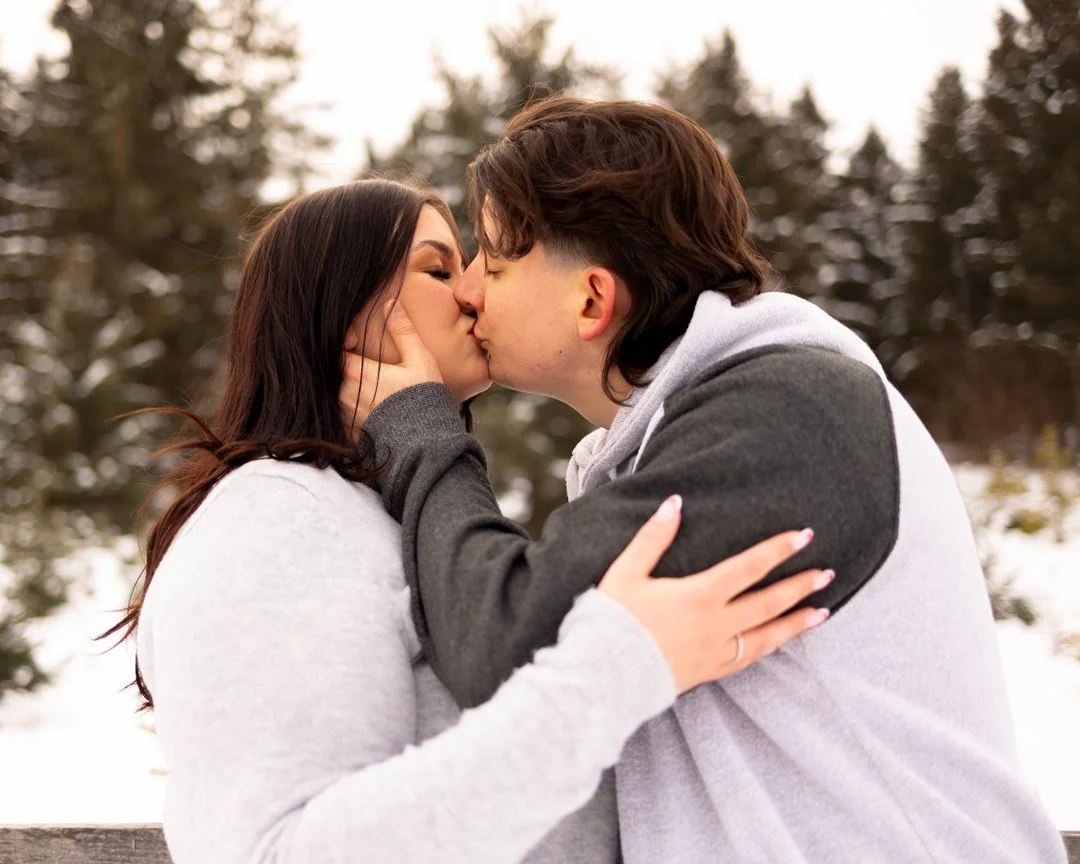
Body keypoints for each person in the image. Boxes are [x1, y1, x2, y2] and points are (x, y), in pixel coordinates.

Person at [345, 97, 1068, 863]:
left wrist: (418, 429)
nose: (468, 291)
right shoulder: (685, 433)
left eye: (493, 259)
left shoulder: (792, 416)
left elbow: (502, 640)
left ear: (591, 298)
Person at [111, 179, 833, 864]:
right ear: (346, 307)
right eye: (437, 268)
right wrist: (615, 674)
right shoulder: (273, 518)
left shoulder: (387, 514)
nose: (469, 292)